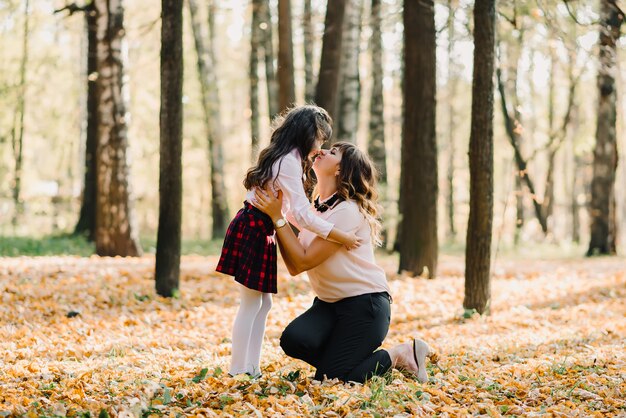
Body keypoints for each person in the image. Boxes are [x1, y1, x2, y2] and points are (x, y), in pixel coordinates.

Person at [253, 142, 435, 383]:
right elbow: (295, 260)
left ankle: (399, 354)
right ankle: (346, 362)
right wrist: (276, 217)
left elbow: (302, 261)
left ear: (340, 170)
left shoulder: (348, 211)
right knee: (294, 340)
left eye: (333, 152)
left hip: (365, 306)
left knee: (334, 379)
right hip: (328, 305)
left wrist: (277, 218)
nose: (322, 151)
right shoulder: (314, 211)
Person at [216, 105, 362, 378]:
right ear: (307, 134)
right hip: (254, 227)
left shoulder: (288, 158)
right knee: (250, 303)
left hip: (262, 227)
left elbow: (292, 213)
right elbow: (303, 214)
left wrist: (314, 230)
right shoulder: (288, 162)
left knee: (263, 304)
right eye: (320, 139)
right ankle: (238, 369)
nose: (321, 147)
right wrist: (338, 234)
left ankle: (251, 367)